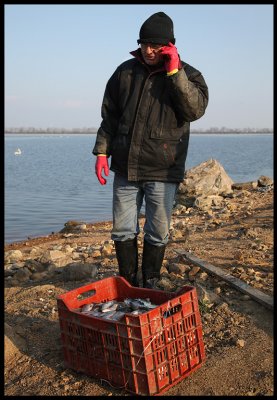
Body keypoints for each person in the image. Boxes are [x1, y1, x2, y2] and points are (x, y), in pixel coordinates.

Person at [92, 11, 209, 288]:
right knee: (121, 230)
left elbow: (194, 110)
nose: (148, 50)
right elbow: (109, 116)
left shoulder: (189, 75)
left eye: (155, 45)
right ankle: (128, 281)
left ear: (170, 45)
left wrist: (174, 72)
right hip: (125, 166)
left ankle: (152, 281)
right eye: (144, 44)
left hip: (163, 168)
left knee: (157, 231)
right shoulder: (124, 72)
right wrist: (101, 152)